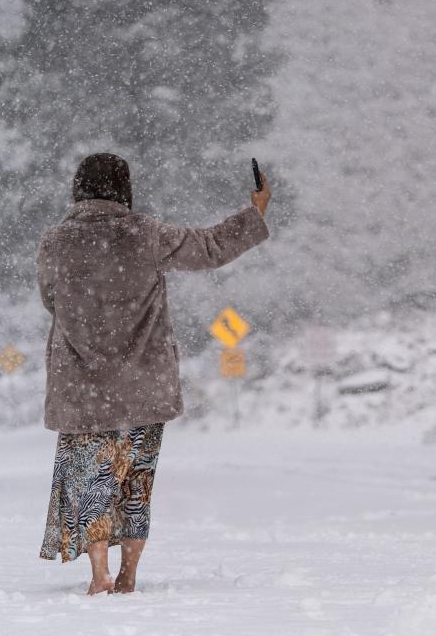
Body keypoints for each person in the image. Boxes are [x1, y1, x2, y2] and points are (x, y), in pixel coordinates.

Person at [37, 153, 271, 594]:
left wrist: (88, 319)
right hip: (142, 386)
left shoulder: (56, 241)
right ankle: (129, 574)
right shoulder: (145, 234)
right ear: (124, 188)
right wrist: (256, 210)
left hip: (83, 388)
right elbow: (211, 247)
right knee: (136, 480)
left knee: (91, 478)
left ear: (78, 188)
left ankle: (99, 573)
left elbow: (51, 299)